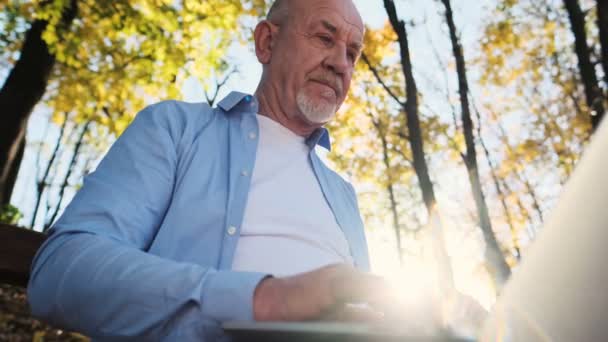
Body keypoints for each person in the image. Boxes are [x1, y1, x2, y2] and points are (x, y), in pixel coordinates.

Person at [27, 0, 395, 340]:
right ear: (267, 42)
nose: (340, 64)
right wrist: (267, 300)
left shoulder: (344, 194)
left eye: (352, 53)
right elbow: (61, 272)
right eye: (324, 37)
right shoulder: (175, 129)